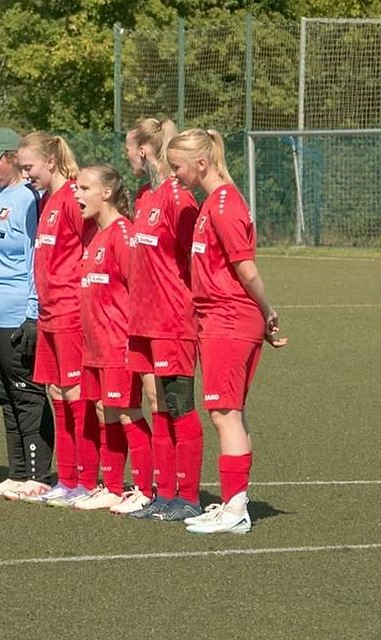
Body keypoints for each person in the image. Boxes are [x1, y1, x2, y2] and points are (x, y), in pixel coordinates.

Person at [166, 129, 287, 534]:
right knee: (231, 412)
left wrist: (267, 311)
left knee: (224, 414)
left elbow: (246, 269)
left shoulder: (223, 205)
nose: (174, 174)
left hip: (229, 318)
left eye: (178, 167)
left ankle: (235, 510)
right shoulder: (214, 202)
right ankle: (234, 503)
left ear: (201, 163)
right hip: (221, 318)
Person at [123, 118, 205, 521]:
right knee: (156, 402)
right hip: (143, 319)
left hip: (173, 318)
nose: (127, 157)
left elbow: (196, 260)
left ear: (143, 149)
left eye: (128, 148)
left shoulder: (179, 197)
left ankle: (188, 497)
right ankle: (165, 492)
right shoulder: (145, 196)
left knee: (178, 404)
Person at [0, 128, 54, 499]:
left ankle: (37, 473)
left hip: (15, 313)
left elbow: (36, 258)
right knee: (4, 395)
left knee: (26, 394)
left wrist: (32, 313)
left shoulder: (29, 199)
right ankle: (17, 473)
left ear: (13, 158)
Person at [16, 132, 99, 505]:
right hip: (48, 314)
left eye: (29, 167)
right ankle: (67, 479)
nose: (25, 175)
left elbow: (93, 247)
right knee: (56, 393)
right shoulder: (47, 199)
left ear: (50, 161)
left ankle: (87, 479)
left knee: (76, 394)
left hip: (70, 310)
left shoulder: (72, 197)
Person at [71, 165, 154, 513]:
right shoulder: (95, 234)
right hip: (95, 345)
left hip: (118, 343)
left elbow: (140, 290)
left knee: (127, 412)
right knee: (104, 409)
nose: (77, 195)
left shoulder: (122, 234)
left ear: (106, 193)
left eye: (84, 188)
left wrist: (135, 340)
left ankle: (145, 489)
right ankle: (114, 486)